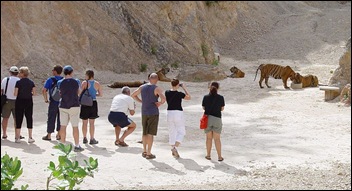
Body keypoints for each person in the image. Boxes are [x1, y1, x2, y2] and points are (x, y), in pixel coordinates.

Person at [131, 73, 166, 159]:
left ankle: (144, 150)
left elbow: (133, 95)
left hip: (144, 112)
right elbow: (163, 99)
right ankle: (149, 153)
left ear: (149, 78)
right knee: (150, 133)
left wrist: (141, 101)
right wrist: (160, 103)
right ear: (157, 79)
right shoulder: (157, 88)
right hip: (153, 112)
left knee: (144, 132)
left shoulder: (142, 87)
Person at [57, 65, 83, 152]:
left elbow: (60, 93)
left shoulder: (60, 82)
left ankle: (62, 145)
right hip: (74, 105)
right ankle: (77, 145)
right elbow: (79, 92)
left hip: (63, 105)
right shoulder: (76, 81)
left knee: (63, 126)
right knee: (75, 126)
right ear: (71, 72)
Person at [165, 78, 191, 158]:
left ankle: (173, 147)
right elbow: (189, 97)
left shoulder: (167, 92)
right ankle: (175, 148)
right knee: (181, 131)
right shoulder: (179, 94)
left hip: (169, 113)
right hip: (178, 113)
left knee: (172, 132)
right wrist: (184, 88)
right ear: (177, 85)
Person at [202, 81, 225, 162]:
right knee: (217, 139)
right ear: (218, 88)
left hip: (207, 119)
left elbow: (204, 108)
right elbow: (222, 109)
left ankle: (208, 155)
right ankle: (219, 156)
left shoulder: (205, 97)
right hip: (217, 119)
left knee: (208, 138)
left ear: (210, 88)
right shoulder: (221, 97)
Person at [14, 66, 36, 143]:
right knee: (29, 117)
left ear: (23, 73)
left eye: (20, 72)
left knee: (19, 118)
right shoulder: (31, 82)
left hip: (19, 101)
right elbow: (34, 93)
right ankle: (30, 137)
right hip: (29, 101)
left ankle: (17, 137)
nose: (19, 74)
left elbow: (15, 93)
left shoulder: (18, 82)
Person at [80, 70, 102, 145]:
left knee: (84, 122)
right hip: (93, 103)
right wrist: (94, 95)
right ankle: (92, 138)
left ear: (88, 75)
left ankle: (84, 137)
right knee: (92, 123)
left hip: (85, 104)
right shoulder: (97, 83)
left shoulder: (84, 83)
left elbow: (80, 93)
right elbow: (100, 94)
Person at [42, 65, 63, 141]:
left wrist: (46, 100)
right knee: (60, 118)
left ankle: (49, 135)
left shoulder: (50, 80)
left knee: (51, 117)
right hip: (62, 102)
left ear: (55, 71)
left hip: (53, 101)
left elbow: (44, 90)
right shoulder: (63, 80)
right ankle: (59, 134)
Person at [1, 66, 23, 140]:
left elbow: (1, 90)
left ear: (10, 72)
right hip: (17, 101)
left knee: (5, 118)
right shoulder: (20, 81)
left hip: (6, 101)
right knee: (16, 119)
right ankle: (17, 135)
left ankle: (4, 134)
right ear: (17, 73)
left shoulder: (5, 80)